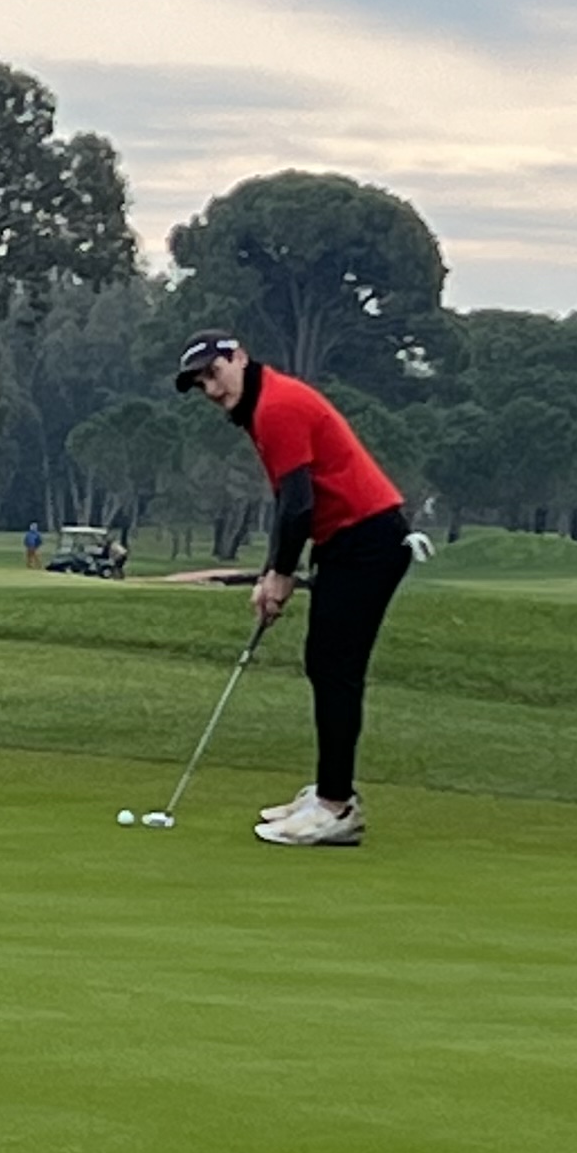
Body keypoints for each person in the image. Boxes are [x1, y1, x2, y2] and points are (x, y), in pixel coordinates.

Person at [174, 329, 412, 846]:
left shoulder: (276, 406)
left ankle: (335, 806)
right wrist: (271, 572)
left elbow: (299, 505)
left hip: (368, 539)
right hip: (348, 541)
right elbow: (292, 504)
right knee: (326, 664)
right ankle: (330, 792)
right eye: (200, 384)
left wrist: (280, 574)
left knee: (335, 667)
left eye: (213, 373)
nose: (210, 389)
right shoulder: (264, 405)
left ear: (239, 357)